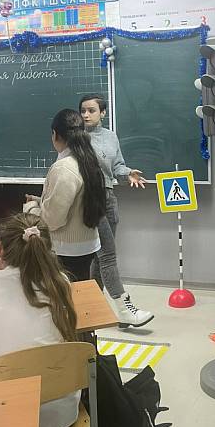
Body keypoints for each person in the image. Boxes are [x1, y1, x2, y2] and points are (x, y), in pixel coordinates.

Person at [0, 213, 80, 427]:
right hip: (62, 416)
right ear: (48, 250)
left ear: (0, 250)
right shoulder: (61, 283)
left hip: (6, 417)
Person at [79, 94, 153, 327]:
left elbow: (117, 165)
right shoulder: (77, 138)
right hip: (90, 197)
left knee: (100, 257)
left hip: (109, 197)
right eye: (83, 111)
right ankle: (124, 309)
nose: (86, 115)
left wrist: (127, 173)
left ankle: (91, 309)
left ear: (102, 113)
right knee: (108, 255)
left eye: (91, 110)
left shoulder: (110, 136)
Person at [24, 108, 106, 281]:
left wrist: (31, 208)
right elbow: (77, 203)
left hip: (66, 250)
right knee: (79, 291)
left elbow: (53, 220)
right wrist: (39, 200)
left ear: (55, 134)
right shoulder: (88, 160)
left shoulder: (64, 168)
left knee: (65, 294)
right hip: (86, 245)